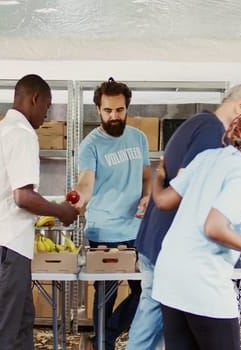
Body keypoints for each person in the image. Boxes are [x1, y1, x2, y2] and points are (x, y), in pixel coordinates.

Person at [127, 84, 241, 350]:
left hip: (171, 275)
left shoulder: (209, 156)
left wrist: (159, 176)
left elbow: (163, 200)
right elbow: (214, 227)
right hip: (202, 280)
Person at [0, 74, 79, 350]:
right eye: (47, 106)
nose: (46, 114)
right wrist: (60, 211)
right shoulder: (23, 133)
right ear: (35, 99)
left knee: (19, 326)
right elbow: (22, 196)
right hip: (5, 246)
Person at [73, 78, 151, 350]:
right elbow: (86, 183)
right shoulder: (90, 145)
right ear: (98, 110)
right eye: (108, 111)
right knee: (105, 293)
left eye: (119, 110)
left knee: (145, 291)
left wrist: (148, 195)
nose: (114, 116)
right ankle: (103, 344)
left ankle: (105, 336)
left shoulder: (139, 138)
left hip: (135, 230)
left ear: (127, 108)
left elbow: (146, 177)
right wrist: (76, 199)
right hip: (102, 230)